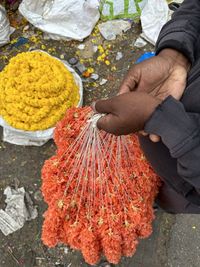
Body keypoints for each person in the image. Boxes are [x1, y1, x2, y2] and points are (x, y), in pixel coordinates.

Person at [94, 0, 200, 214]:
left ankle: (170, 198)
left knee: (177, 199)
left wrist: (160, 118)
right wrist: (176, 53)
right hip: (169, 149)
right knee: (166, 191)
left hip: (191, 181)